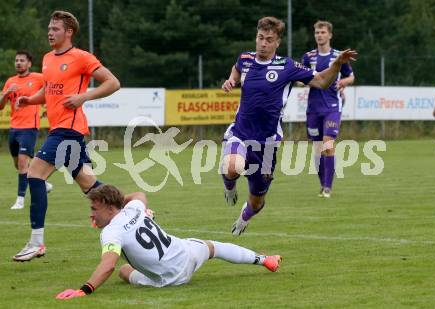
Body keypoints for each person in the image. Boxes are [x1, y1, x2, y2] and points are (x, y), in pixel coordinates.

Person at [221, 16, 357, 235]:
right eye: (260, 38)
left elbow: (322, 81)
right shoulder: (245, 58)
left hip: (267, 143)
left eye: (269, 39)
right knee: (232, 166)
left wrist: (337, 64)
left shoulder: (288, 66)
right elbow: (237, 68)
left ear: (277, 43)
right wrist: (231, 79)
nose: (263, 43)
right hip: (241, 132)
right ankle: (229, 186)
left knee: (256, 202)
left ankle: (245, 216)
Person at [12, 10, 120, 262]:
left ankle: (37, 242)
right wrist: (30, 100)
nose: (50, 32)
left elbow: (113, 82)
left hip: (68, 130)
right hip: (61, 129)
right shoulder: (48, 58)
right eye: (49, 28)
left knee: (34, 174)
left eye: (55, 29)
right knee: (90, 186)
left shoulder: (81, 57)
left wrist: (84, 96)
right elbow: (48, 91)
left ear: (69, 32)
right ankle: (133, 209)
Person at [55, 185, 282, 299]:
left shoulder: (111, 233)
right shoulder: (134, 207)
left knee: (124, 271)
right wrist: (130, 207)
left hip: (170, 279)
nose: (91, 215)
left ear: (109, 206)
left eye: (94, 209)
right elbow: (140, 195)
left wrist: (84, 290)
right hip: (187, 253)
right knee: (214, 247)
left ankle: (264, 259)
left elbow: (108, 265)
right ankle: (265, 260)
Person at [302, 21, 355, 198]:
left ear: (330, 35)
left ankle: (328, 187)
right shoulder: (308, 57)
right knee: (318, 149)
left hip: (332, 106)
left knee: (328, 143)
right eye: (317, 32)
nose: (319, 35)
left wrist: (342, 82)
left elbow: (351, 77)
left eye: (323, 32)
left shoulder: (339, 56)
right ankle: (323, 183)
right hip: (313, 108)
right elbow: (301, 77)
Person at [0, 51, 53, 210]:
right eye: (16, 60)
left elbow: (50, 89)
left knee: (23, 163)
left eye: (22, 60)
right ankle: (43, 183)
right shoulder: (10, 81)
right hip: (14, 129)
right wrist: (7, 94)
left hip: (29, 128)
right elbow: (1, 105)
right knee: (19, 165)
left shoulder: (37, 78)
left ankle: (20, 200)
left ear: (29, 63)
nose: (18, 63)